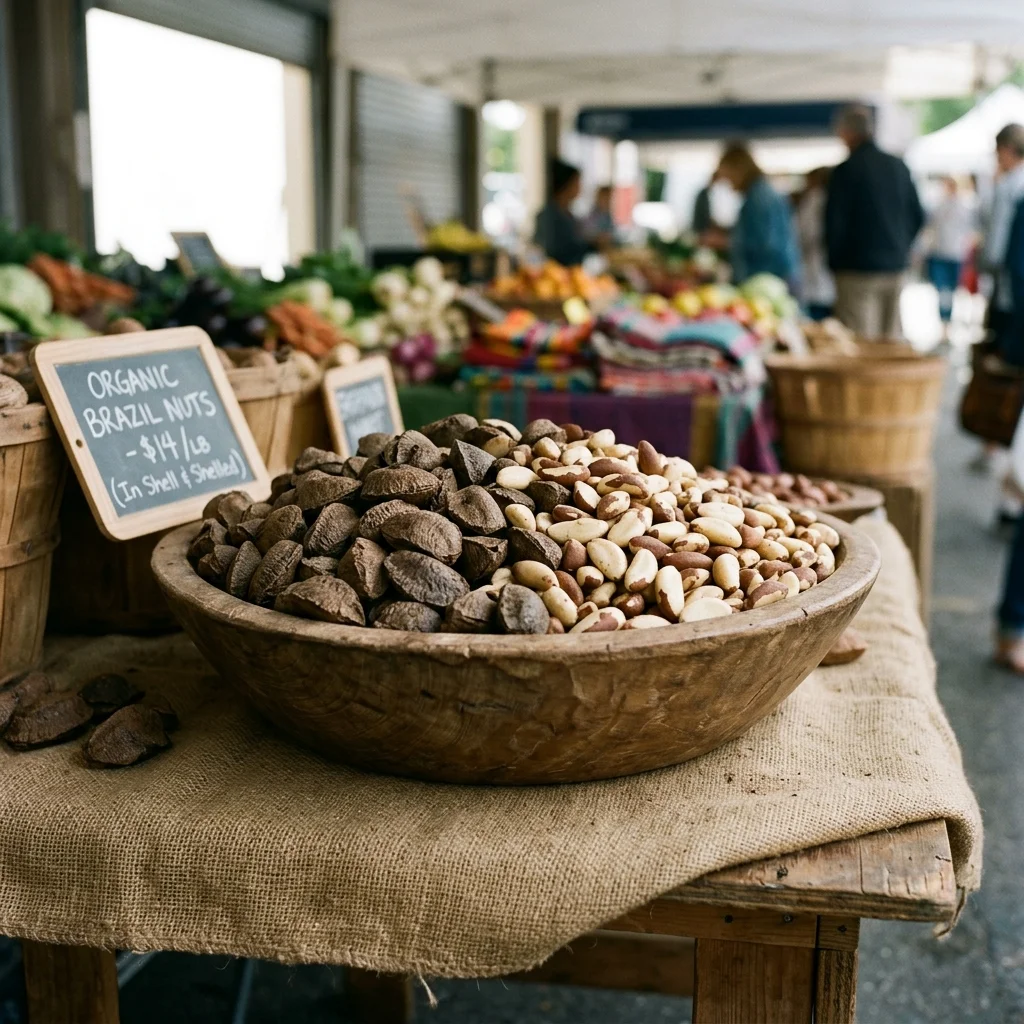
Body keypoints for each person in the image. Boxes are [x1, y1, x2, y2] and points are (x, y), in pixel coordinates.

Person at [825, 104, 924, 338]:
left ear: (846, 132)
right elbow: (917, 215)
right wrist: (900, 246)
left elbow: (835, 223)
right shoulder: (898, 166)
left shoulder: (846, 171)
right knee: (890, 340)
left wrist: (834, 261)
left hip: (856, 269)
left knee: (860, 341)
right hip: (894, 266)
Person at [715, 143, 799, 287]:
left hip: (771, 280)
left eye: (728, 177)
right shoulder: (758, 194)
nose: (728, 184)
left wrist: (726, 242)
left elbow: (765, 243)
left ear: (738, 170)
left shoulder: (759, 198)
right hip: (772, 279)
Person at [980, 124, 1024, 355]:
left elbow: (999, 232)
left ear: (1007, 149)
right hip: (1013, 270)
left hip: (1011, 271)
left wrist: (988, 262)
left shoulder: (1011, 185)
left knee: (1006, 337)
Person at [926, 176, 977, 329]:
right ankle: (944, 322)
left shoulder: (965, 207)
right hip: (939, 252)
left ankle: (947, 321)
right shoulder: (938, 205)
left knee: (950, 290)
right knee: (942, 290)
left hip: (955, 253)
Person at [794, 167, 835, 320]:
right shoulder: (834, 198)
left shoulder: (814, 199)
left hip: (814, 273)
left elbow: (800, 233)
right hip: (827, 276)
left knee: (816, 320)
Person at [533, 159, 589, 266]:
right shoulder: (548, 217)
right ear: (566, 184)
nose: (580, 187)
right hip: (554, 276)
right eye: (577, 182)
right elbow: (549, 252)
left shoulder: (569, 215)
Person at [582, 185, 615, 251]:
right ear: (598, 197)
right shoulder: (593, 214)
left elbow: (612, 232)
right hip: (592, 249)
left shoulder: (607, 215)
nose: (607, 201)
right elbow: (586, 233)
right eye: (605, 198)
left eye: (609, 198)